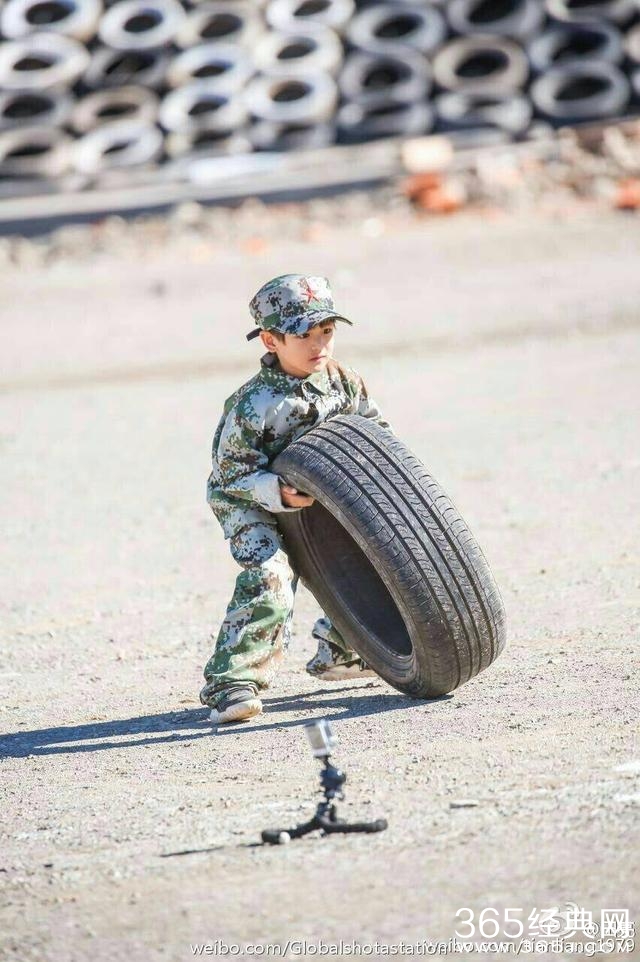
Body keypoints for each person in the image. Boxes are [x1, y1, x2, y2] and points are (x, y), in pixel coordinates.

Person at [200, 273, 392, 724]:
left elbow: (377, 434)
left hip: (322, 493)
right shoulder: (253, 404)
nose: (318, 345)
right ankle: (232, 682)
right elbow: (229, 474)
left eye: (326, 332)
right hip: (250, 498)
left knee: (368, 558)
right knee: (272, 576)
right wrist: (274, 491)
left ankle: (343, 649)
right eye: (303, 335)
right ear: (270, 339)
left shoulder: (343, 381)